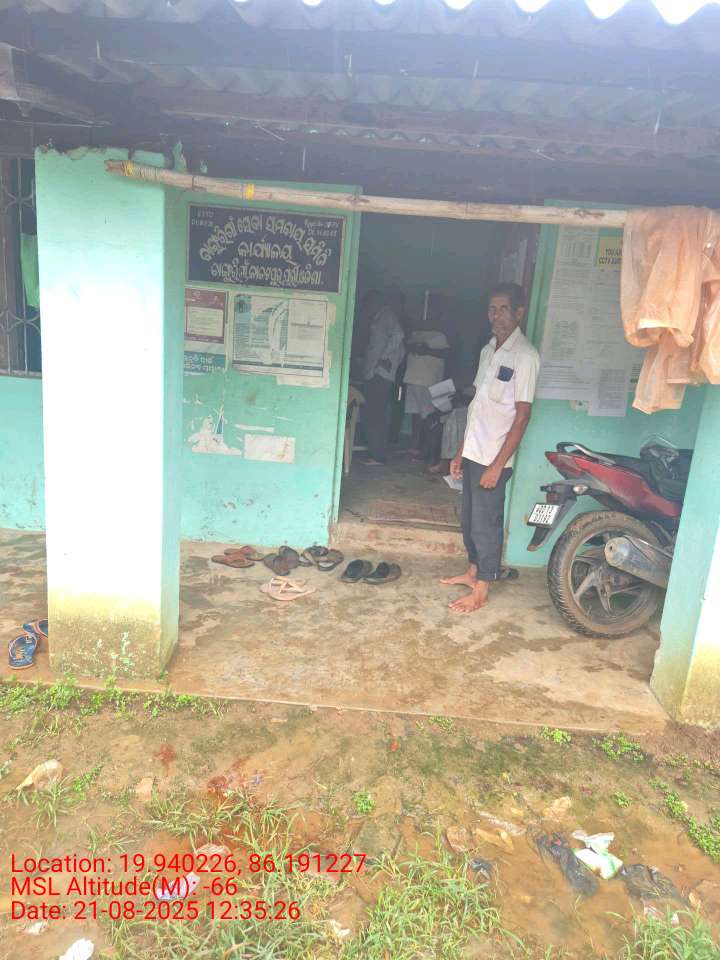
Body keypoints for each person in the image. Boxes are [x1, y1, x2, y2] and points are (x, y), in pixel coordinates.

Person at [441, 282, 540, 614]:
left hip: (494, 457)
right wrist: (460, 451)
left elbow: (522, 416)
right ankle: (472, 572)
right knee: (470, 520)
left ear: (519, 313)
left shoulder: (525, 356)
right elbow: (478, 408)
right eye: (492, 309)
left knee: (486, 523)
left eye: (503, 309)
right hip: (474, 451)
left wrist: (498, 465)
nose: (496, 316)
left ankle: (482, 589)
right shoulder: (488, 351)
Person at [360, 291, 405, 465]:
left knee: (376, 414)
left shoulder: (387, 315)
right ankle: (376, 452)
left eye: (369, 304)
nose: (367, 308)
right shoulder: (378, 317)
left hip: (380, 373)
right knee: (373, 414)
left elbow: (398, 335)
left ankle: (378, 455)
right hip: (374, 372)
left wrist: (384, 358)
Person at [402, 293, 450, 457]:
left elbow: (447, 354)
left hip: (430, 381)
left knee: (429, 416)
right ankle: (416, 446)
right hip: (412, 378)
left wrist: (427, 350)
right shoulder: (416, 333)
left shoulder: (440, 335)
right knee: (416, 415)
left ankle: (426, 451)